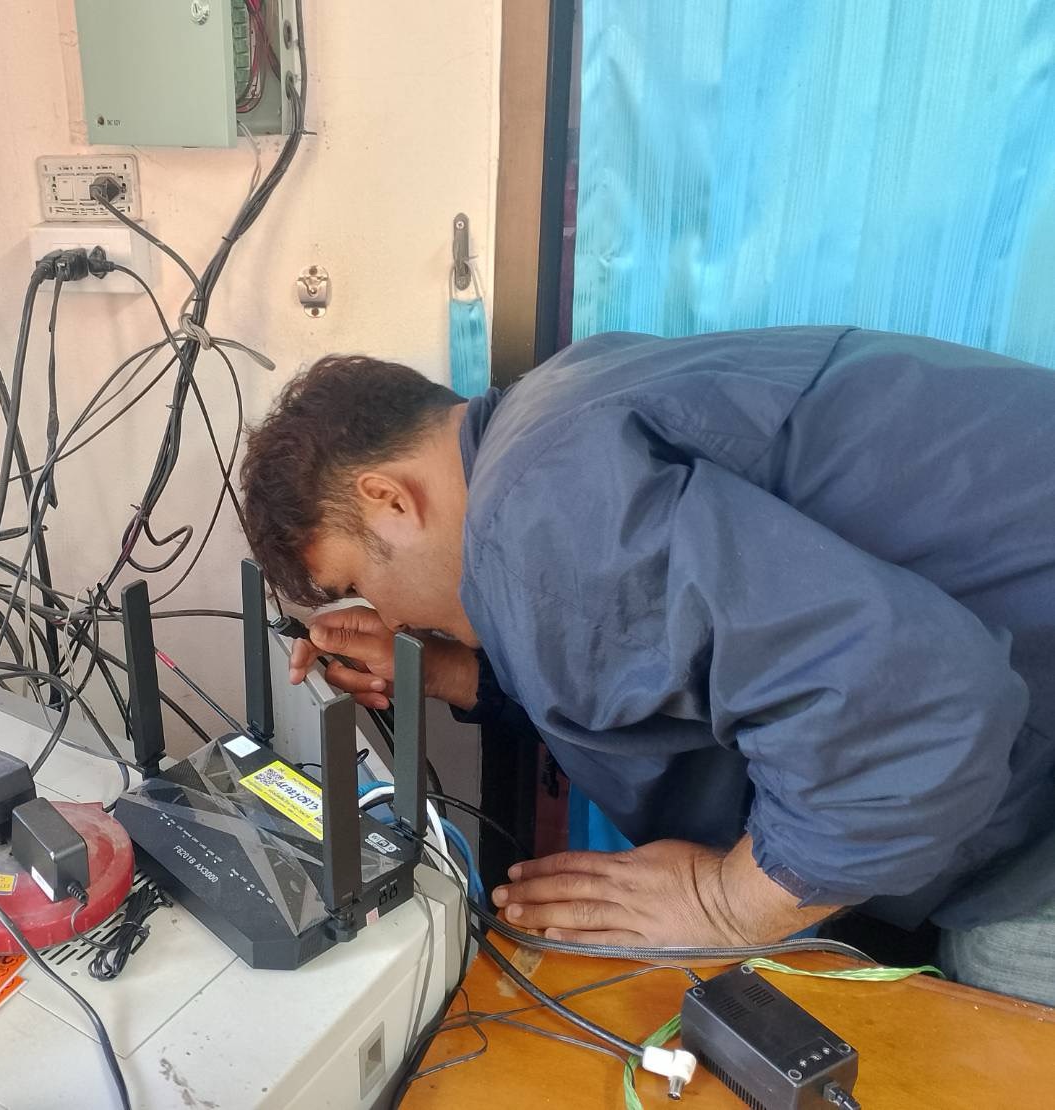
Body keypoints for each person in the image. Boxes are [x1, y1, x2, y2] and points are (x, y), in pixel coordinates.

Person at [238, 326, 1055, 1005]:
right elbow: (684, 659)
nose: (385, 618)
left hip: (1032, 820)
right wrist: (450, 671)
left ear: (389, 498)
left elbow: (909, 710)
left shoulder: (537, 513)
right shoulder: (559, 405)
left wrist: (729, 902)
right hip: (1019, 726)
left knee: (990, 1010)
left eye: (356, 583)